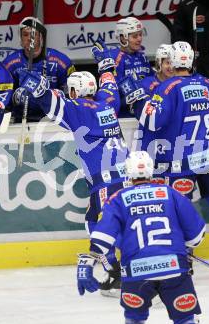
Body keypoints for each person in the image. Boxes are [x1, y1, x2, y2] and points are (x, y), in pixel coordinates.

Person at [14, 42, 130, 295]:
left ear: (76, 91)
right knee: (97, 221)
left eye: (71, 90)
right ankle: (121, 271)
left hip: (106, 180)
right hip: (125, 176)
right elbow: (110, 83)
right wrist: (105, 64)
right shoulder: (108, 104)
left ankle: (122, 274)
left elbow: (49, 101)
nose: (70, 93)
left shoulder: (79, 111)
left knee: (100, 226)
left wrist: (36, 86)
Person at [122, 41, 209, 271]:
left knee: (181, 206)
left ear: (174, 61)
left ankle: (185, 257)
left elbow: (154, 121)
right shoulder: (207, 84)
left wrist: (138, 101)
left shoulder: (166, 88)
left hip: (183, 159)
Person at [77, 150, 206, 324]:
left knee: (134, 320)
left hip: (136, 272)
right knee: (185, 319)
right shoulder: (171, 193)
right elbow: (197, 236)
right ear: (151, 170)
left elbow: (101, 239)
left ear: (128, 172)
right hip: (174, 268)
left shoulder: (118, 199)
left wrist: (87, 263)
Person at [4, 17, 76, 122]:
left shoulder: (61, 61)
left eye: (34, 34)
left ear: (41, 37)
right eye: (25, 34)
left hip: (54, 121)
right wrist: (15, 97)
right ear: (21, 39)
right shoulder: (10, 63)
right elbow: (2, 98)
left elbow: (73, 96)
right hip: (22, 121)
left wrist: (53, 95)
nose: (29, 38)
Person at [110, 16, 154, 117]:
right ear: (122, 38)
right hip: (124, 117)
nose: (139, 39)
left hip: (144, 113)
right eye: (135, 36)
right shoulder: (115, 59)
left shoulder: (142, 56)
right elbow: (114, 94)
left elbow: (152, 81)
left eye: (140, 35)